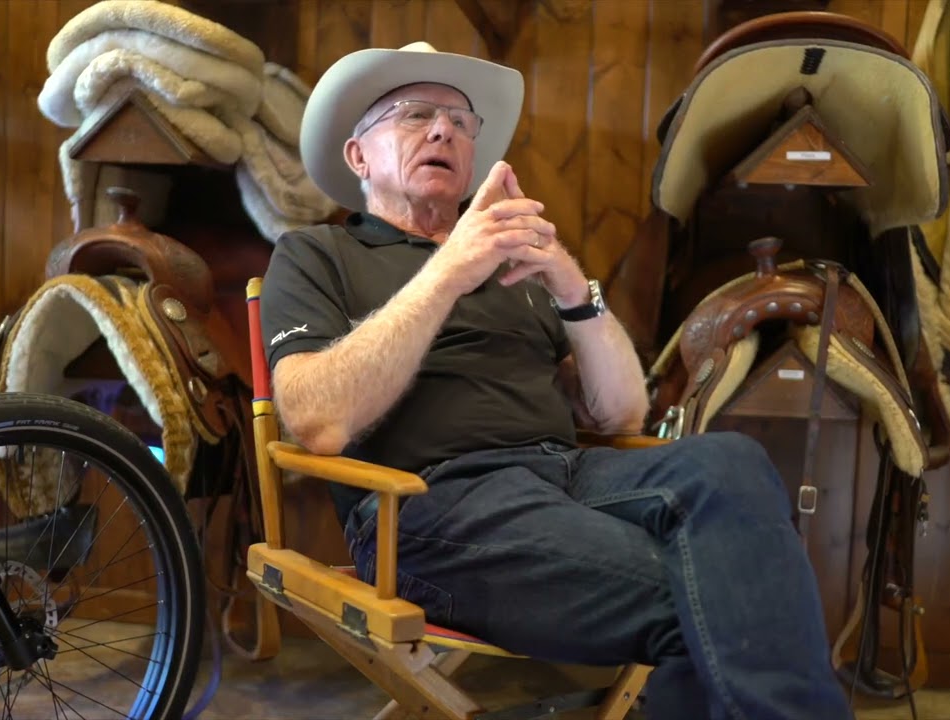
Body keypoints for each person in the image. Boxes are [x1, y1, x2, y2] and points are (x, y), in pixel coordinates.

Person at [258, 41, 853, 720]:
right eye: (416, 114)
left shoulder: (512, 269)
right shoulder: (317, 254)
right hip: (430, 506)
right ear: (358, 156)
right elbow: (316, 419)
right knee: (717, 593)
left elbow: (622, 415)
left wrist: (572, 287)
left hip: (569, 477)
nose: (444, 130)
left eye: (460, 121)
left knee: (732, 463)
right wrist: (448, 270)